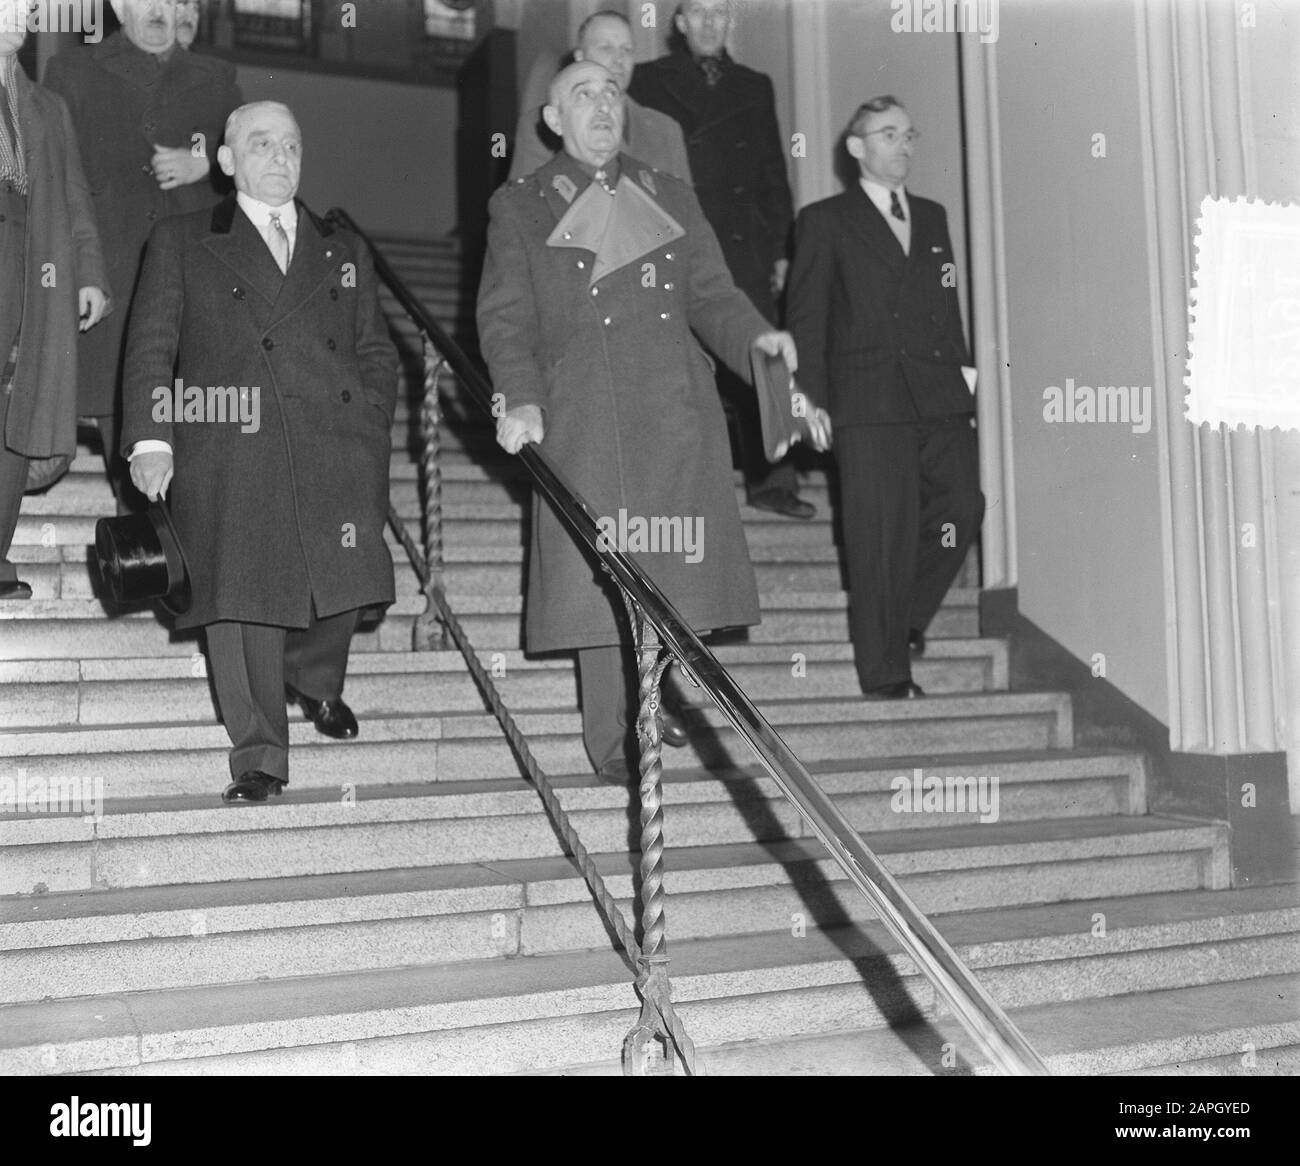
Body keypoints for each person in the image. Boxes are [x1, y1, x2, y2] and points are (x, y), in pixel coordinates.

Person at [477, 61, 827, 783]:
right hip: (584, 411)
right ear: (552, 121)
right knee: (603, 578)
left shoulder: (668, 193)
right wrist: (520, 396)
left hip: (673, 407)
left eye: (612, 92)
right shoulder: (522, 206)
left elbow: (713, 296)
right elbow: (506, 321)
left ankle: (656, 694)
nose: (603, 105)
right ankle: (615, 740)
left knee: (673, 564)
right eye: (583, 94)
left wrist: (760, 342)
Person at [123, 101, 399, 804]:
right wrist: (152, 437)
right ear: (226, 160)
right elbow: (153, 343)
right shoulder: (184, 238)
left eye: (291, 145)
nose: (280, 157)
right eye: (261, 143)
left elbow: (376, 350)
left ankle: (314, 681)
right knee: (241, 601)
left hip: (334, 442)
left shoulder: (341, 247)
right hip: (230, 446)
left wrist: (369, 423)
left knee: (339, 591)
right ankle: (259, 753)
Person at [786, 96, 984, 700]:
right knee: (880, 536)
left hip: (937, 392)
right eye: (888, 134)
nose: (902, 146)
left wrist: (966, 383)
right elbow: (806, 318)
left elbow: (946, 306)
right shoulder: (825, 220)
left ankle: (902, 620)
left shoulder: (932, 215)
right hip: (865, 400)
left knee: (962, 506)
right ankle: (886, 671)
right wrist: (807, 401)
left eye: (908, 134)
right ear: (857, 147)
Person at [44, 0, 240, 508]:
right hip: (114, 275)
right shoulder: (73, 70)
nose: (161, 10)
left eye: (176, 0)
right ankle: (145, 557)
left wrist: (205, 162)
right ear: (118, 5)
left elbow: (256, 149)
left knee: (196, 426)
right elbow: (59, 180)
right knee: (126, 432)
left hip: (193, 281)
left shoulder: (217, 78)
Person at [629, 0, 812, 519]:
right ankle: (681, 479)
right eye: (698, 13)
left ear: (730, 21)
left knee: (767, 354)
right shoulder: (645, 79)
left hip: (745, 242)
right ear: (680, 24)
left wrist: (781, 251)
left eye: (719, 13)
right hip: (678, 236)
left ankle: (775, 480)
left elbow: (773, 176)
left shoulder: (756, 85)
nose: (710, 23)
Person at [0, 0, 109, 601]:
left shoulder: (47, 106)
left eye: (31, 7)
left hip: (30, 268)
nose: (25, 15)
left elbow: (73, 198)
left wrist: (89, 272)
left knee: (17, 408)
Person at [508, 9, 691, 184]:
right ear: (580, 56)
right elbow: (522, 207)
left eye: (627, 50)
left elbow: (685, 210)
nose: (619, 59)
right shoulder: (543, 126)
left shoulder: (666, 129)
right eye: (606, 48)